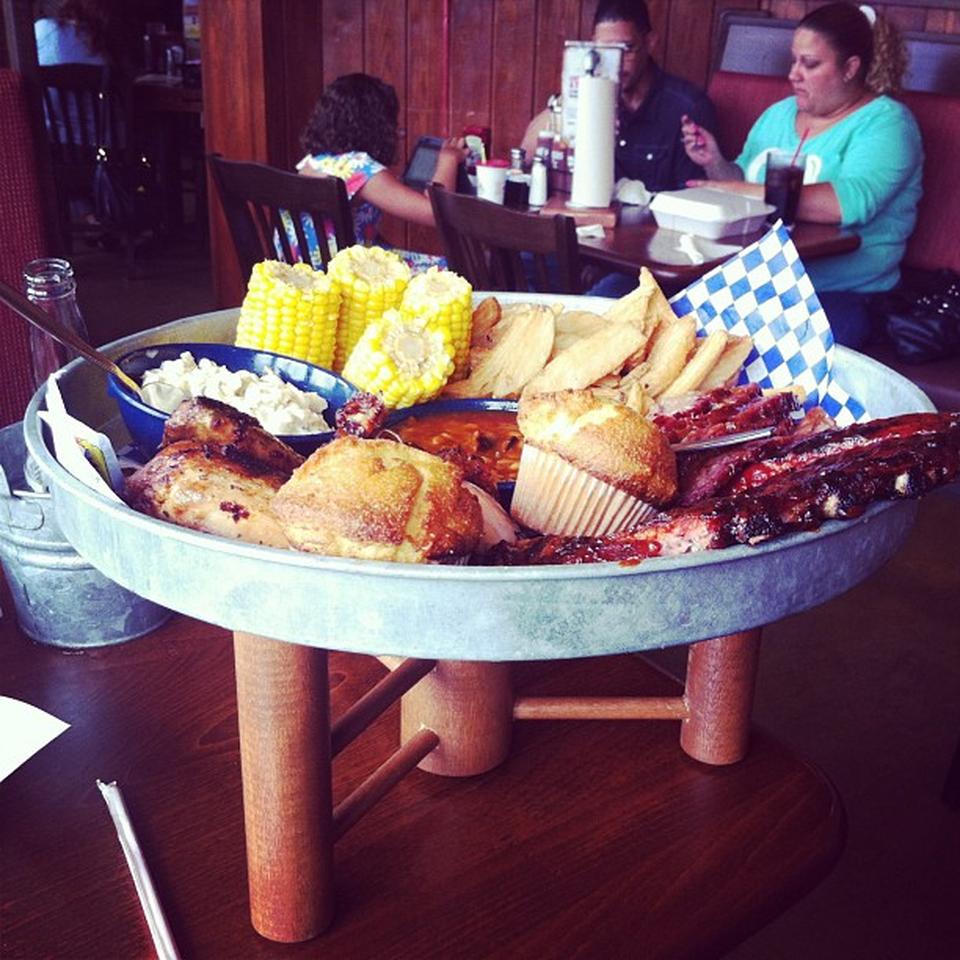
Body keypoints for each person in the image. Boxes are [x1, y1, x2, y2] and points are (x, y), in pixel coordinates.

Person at [681, 2, 921, 348]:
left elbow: (845, 204)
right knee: (629, 296)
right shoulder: (778, 114)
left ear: (850, 68)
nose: (793, 74)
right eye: (793, 61)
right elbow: (741, 178)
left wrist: (732, 189)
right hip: (755, 281)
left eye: (809, 64)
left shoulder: (888, 124)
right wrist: (715, 162)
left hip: (843, 292)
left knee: (750, 352)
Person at [522, 0, 717, 193]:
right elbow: (525, 157)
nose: (616, 62)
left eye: (626, 48)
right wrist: (571, 104)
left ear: (650, 42)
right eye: (605, 51)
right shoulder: (590, 96)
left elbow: (696, 195)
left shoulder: (687, 107)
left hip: (654, 213)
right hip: (587, 210)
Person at [294, 73, 467, 272]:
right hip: (340, 272)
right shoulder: (360, 168)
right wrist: (448, 159)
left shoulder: (314, 161)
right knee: (455, 270)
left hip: (301, 268)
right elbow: (434, 213)